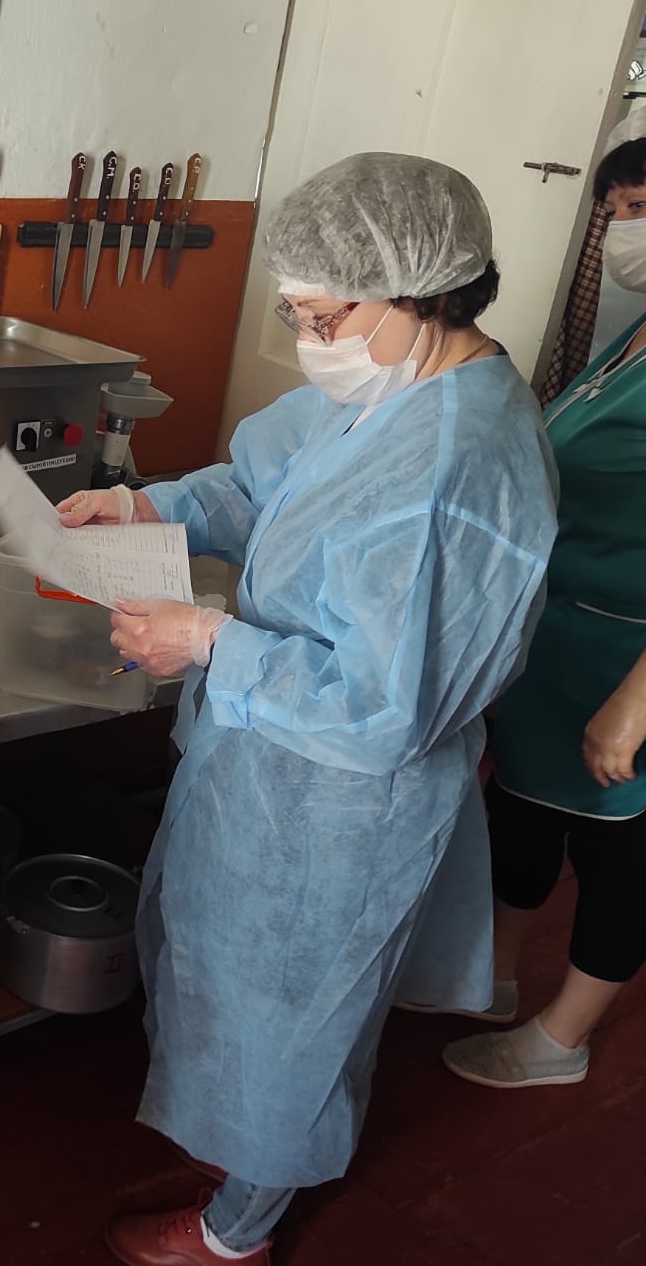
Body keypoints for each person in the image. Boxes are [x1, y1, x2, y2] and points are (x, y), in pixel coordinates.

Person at [56, 152, 558, 1265]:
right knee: (235, 991)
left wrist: (208, 640)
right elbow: (262, 485)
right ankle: (231, 1155)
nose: (309, 342)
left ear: (421, 291)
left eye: (324, 318)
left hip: (338, 803)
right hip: (266, 766)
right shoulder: (387, 389)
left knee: (293, 1026)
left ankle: (237, 1231)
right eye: (296, 314)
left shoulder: (452, 468)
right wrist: (149, 506)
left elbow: (385, 710)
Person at [442, 117, 646, 1091]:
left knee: (618, 850)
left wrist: (634, 704)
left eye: (641, 207)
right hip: (561, 636)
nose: (625, 232)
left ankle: (560, 1039)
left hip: (626, 661)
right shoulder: (633, 335)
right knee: (521, 811)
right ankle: (487, 975)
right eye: (619, 211)